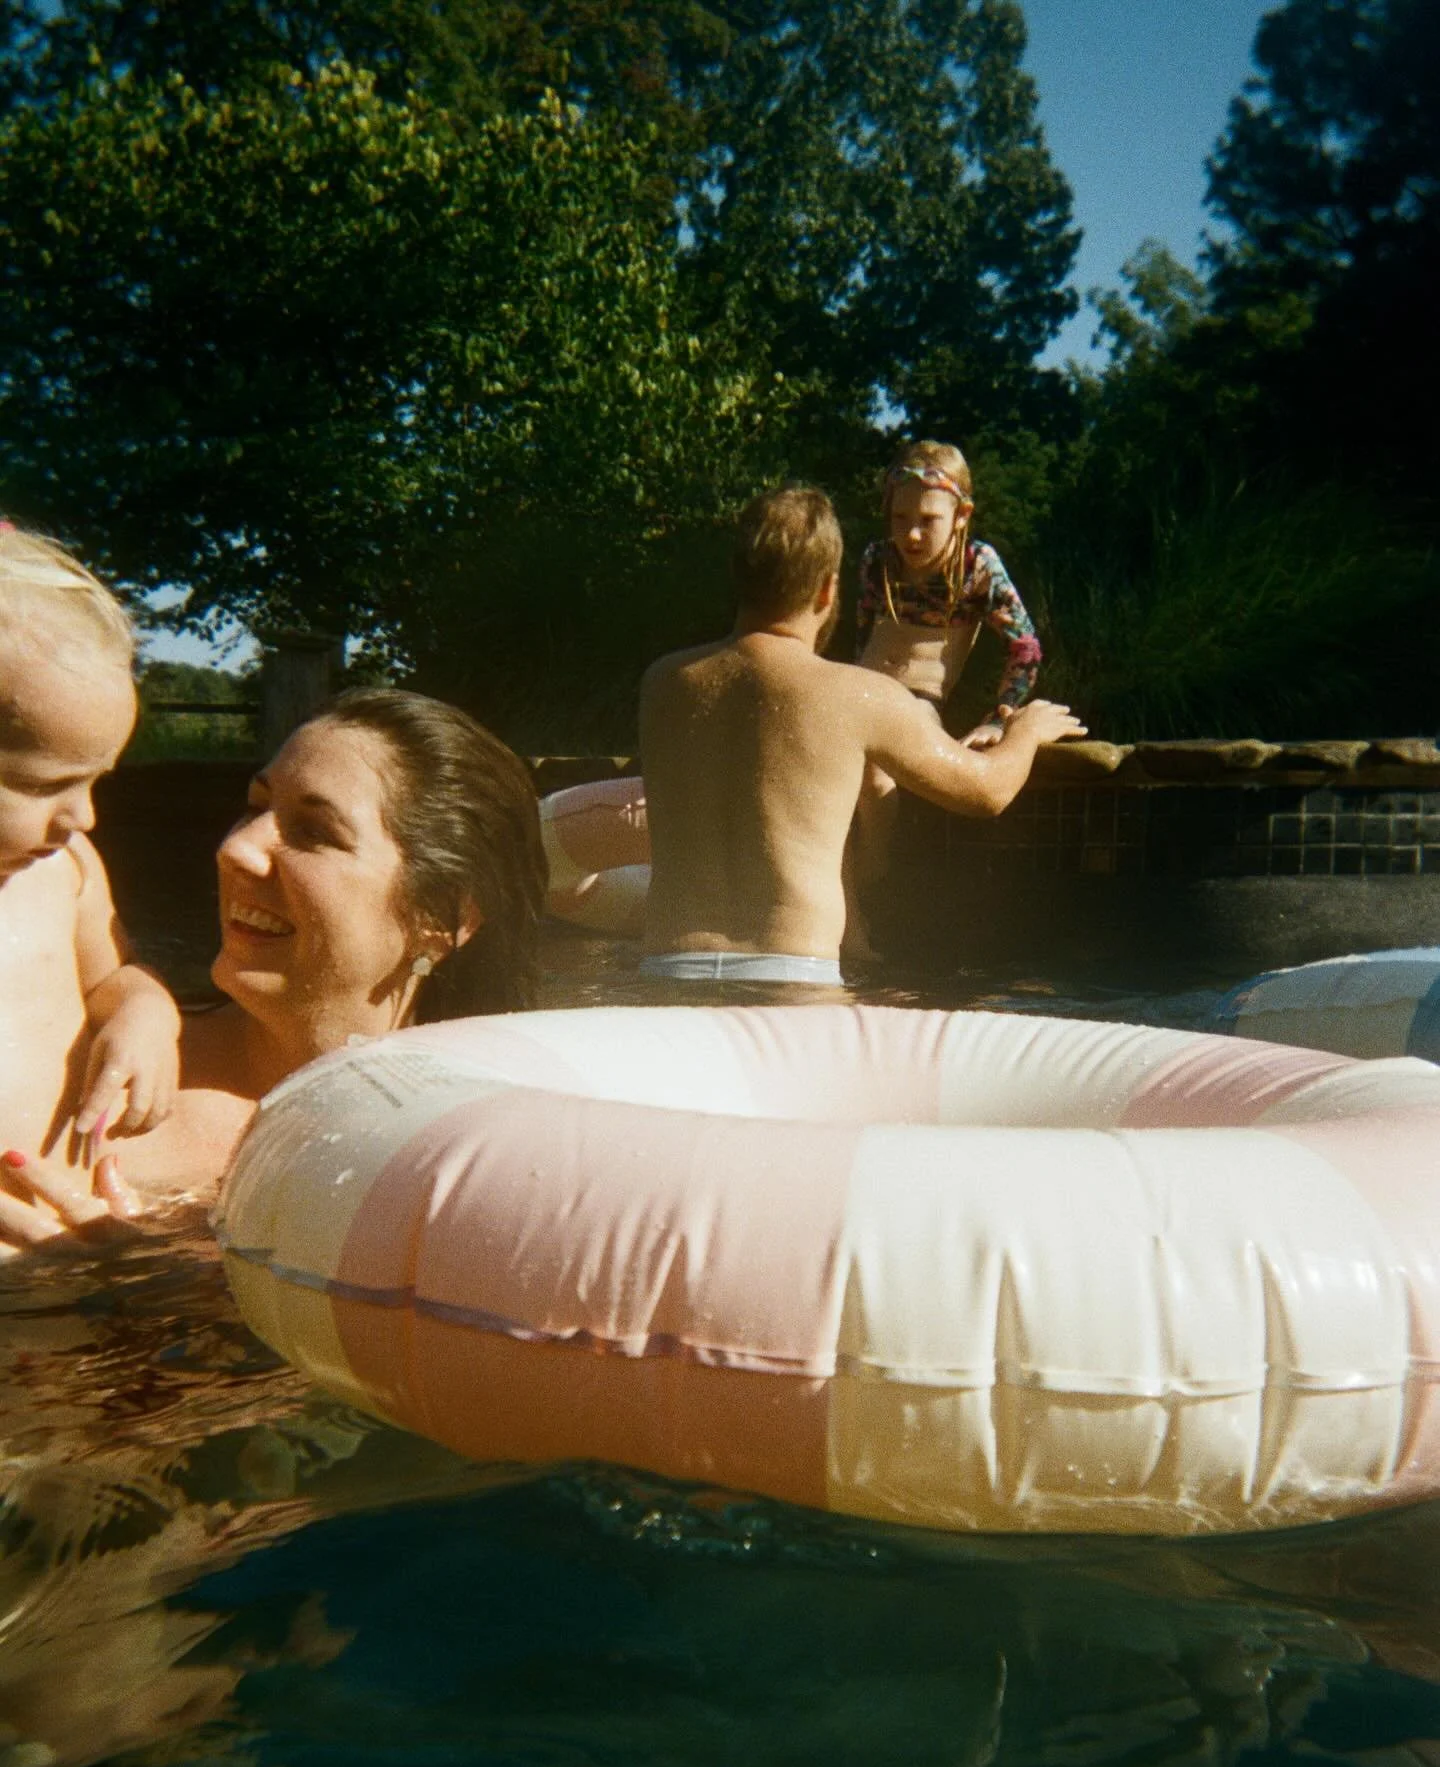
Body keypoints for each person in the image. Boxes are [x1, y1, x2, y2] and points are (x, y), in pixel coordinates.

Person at [0, 688, 547, 1247]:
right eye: (257, 807)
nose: (235, 848)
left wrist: (149, 1287)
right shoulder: (95, 1063)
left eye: (313, 832)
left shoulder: (474, 1149)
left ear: (444, 914)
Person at [637, 487, 1084, 986]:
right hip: (791, 975)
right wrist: (1024, 730)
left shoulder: (662, 684)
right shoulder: (858, 696)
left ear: (739, 579)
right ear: (828, 592)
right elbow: (986, 791)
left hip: (665, 972)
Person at [0, 525, 181, 1165]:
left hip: (73, 1230)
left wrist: (148, 1012)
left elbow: (114, 976)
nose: (83, 817)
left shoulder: (65, 871)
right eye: (45, 785)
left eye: (94, 780)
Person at [856, 438, 1042, 732]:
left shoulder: (975, 567)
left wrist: (999, 716)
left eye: (929, 520)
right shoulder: (879, 560)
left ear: (961, 515)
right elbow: (863, 632)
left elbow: (1025, 647)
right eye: (900, 518)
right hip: (862, 692)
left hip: (918, 704)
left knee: (884, 770)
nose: (912, 535)